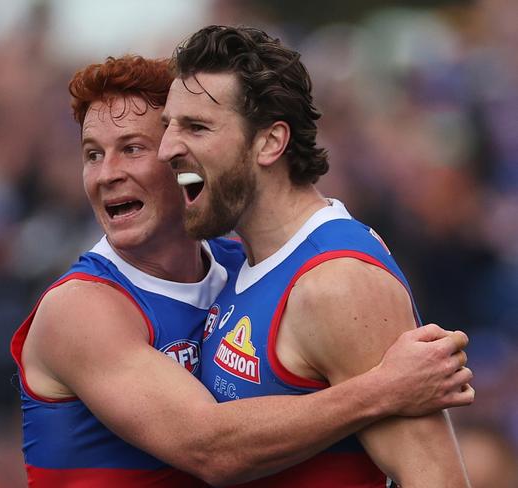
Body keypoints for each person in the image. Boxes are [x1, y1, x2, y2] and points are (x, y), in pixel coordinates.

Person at [11, 55, 473, 488]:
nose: (105, 174)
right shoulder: (80, 309)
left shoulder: (249, 266)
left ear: (182, 156)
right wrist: (385, 387)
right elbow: (211, 449)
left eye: (132, 149)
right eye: (92, 154)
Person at [159, 25, 473, 487]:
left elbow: (436, 479)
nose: (167, 148)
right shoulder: (244, 262)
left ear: (270, 142)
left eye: (197, 127)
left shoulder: (339, 283)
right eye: (169, 124)